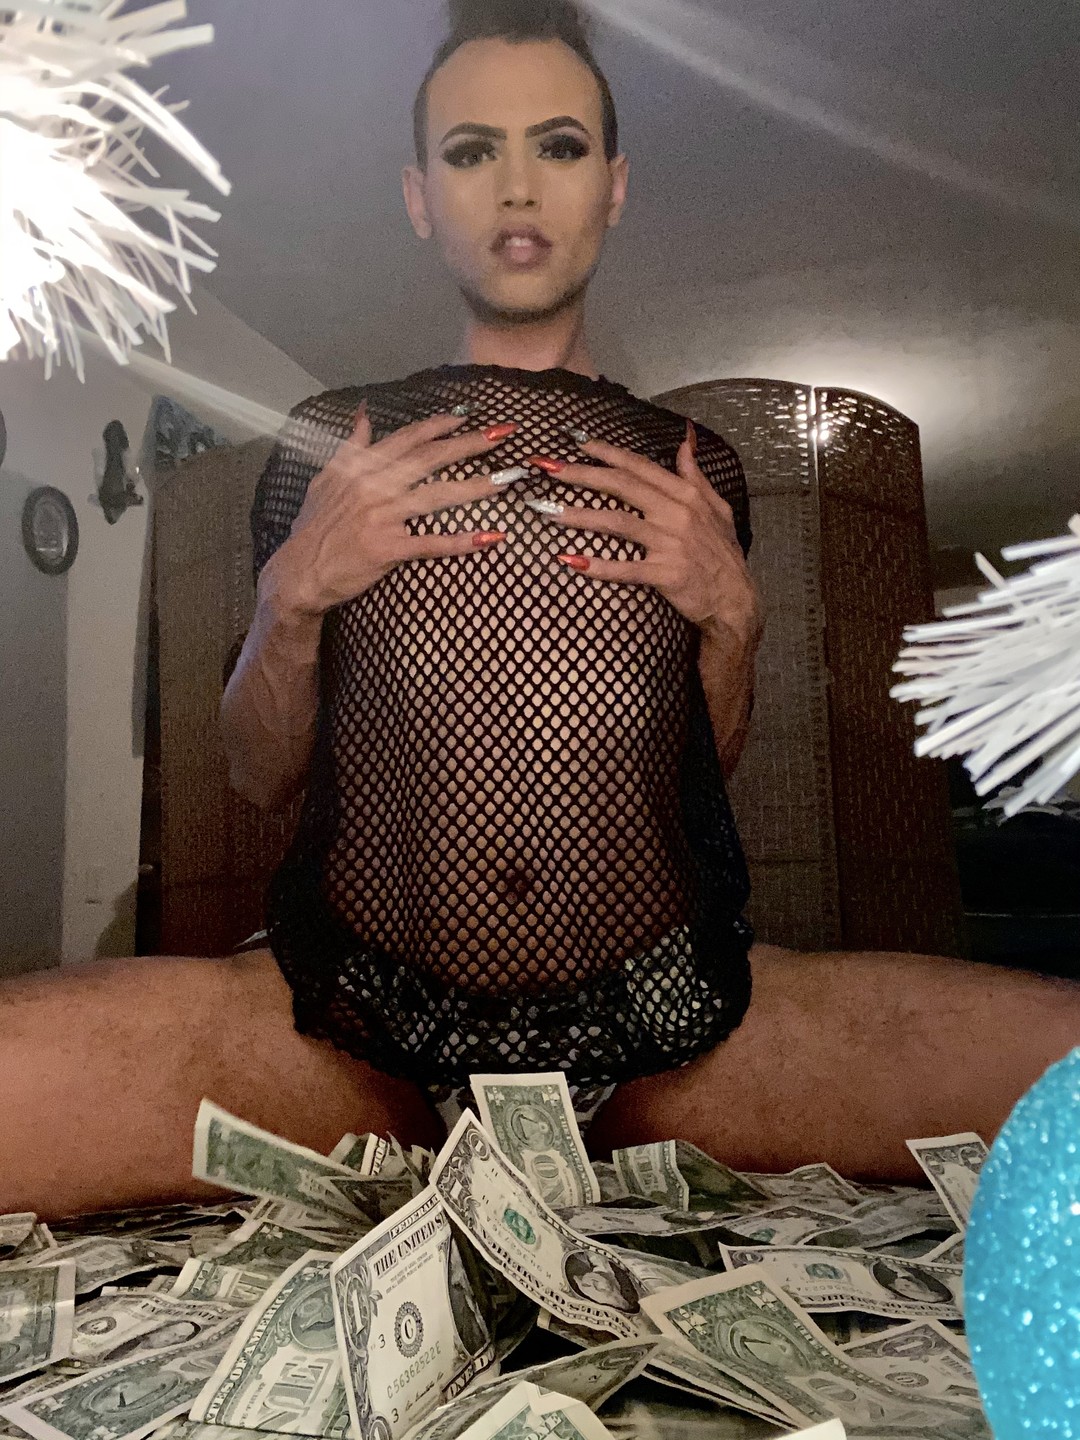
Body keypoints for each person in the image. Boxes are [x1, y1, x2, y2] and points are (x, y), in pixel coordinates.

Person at [3, 0, 1078, 1220]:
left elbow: (696, 776)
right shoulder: (333, 443)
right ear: (421, 197)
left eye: (558, 146)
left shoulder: (692, 468)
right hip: (351, 1025)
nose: (518, 186)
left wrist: (734, 626)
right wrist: (289, 599)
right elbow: (259, 775)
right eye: (473, 151)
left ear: (613, 185)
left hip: (667, 1024)